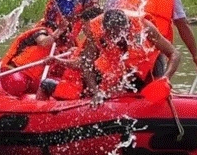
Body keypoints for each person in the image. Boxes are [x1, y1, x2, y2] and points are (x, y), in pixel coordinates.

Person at [41, 9, 181, 105]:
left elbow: (174, 53)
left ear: (127, 27)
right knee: (110, 87)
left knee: (154, 88)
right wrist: (96, 92)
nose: (116, 38)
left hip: (150, 61)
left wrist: (166, 77)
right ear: (105, 30)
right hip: (122, 67)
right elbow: (85, 64)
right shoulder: (95, 32)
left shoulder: (145, 28)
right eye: (112, 34)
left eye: (120, 33)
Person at [0, 18, 70, 96]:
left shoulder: (61, 43)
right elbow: (43, 42)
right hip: (14, 70)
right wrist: (59, 30)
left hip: (32, 78)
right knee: (18, 83)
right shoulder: (39, 32)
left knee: (57, 86)